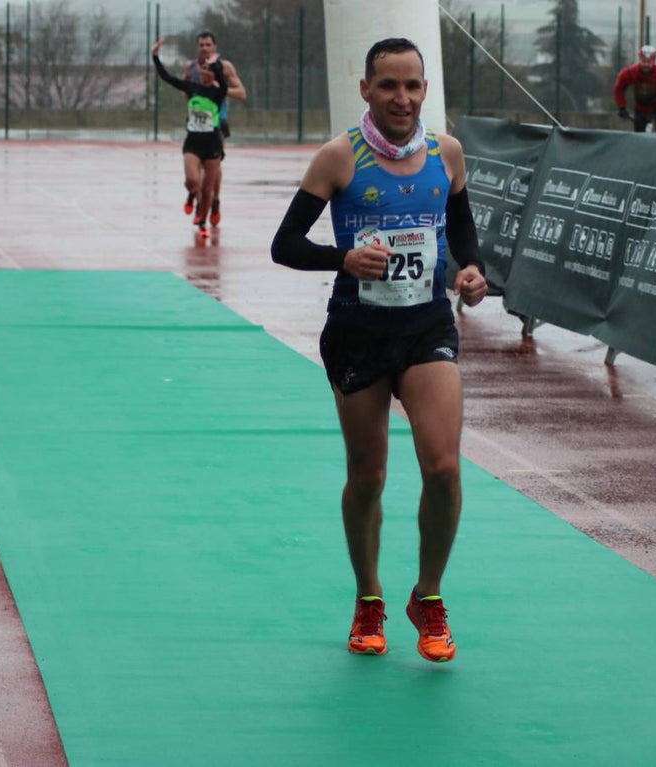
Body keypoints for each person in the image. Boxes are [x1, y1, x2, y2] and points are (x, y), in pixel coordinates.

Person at [270, 38, 487, 663]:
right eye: (389, 85)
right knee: (368, 477)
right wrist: (343, 258)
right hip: (358, 331)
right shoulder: (340, 157)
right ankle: (369, 597)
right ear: (366, 89)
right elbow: (285, 245)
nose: (402, 98)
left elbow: (461, 229)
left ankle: (428, 596)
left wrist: (472, 271)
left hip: (426, 329)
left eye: (412, 85)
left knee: (443, 467)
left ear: (425, 90)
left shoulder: (447, 154)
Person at [151, 37, 227, 238]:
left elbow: (224, 83)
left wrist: (214, 65)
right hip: (193, 144)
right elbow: (167, 77)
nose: (204, 73)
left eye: (208, 70)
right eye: (202, 70)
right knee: (192, 180)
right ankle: (192, 194)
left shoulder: (218, 93)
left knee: (208, 189)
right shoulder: (191, 88)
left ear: (213, 74)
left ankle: (202, 222)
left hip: (212, 145)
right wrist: (155, 56)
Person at [183, 31, 247, 227]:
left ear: (214, 47)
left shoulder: (224, 67)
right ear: (197, 47)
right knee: (195, 168)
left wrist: (219, 89)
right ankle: (199, 200)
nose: (205, 48)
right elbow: (184, 90)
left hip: (218, 121)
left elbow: (241, 93)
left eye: (208, 45)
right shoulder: (191, 67)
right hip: (196, 122)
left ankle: (215, 201)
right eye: (201, 45)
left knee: (213, 166)